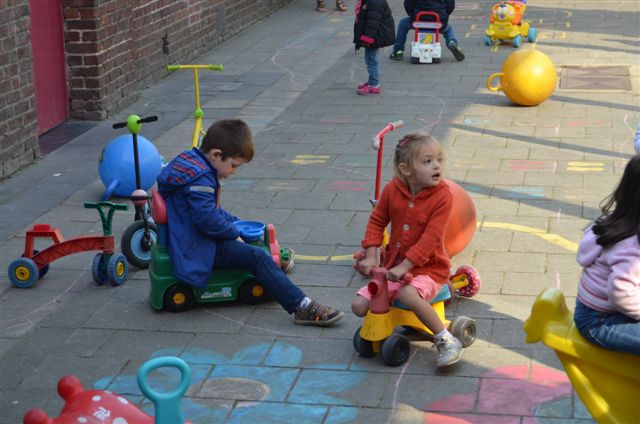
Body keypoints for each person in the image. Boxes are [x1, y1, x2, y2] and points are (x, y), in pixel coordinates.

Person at [157, 119, 344, 326]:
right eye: (233, 165)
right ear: (216, 154)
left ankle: (274, 275)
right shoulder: (200, 179)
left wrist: (236, 224)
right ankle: (301, 305)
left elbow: (211, 211)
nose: (233, 171)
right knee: (257, 257)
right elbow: (206, 219)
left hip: (192, 234)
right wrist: (232, 233)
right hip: (197, 244)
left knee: (252, 239)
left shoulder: (192, 163)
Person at [351, 132, 464, 367]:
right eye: (427, 161)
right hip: (394, 267)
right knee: (359, 306)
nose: (436, 166)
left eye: (439, 160)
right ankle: (380, 330)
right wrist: (371, 255)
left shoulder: (443, 196)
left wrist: (405, 266)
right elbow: (377, 220)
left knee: (407, 295)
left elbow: (431, 238)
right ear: (406, 169)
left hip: (429, 270)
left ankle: (446, 339)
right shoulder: (393, 189)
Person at [573, 154, 640, 354]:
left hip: (602, 309)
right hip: (600, 322)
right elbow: (621, 293)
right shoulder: (632, 247)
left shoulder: (620, 221)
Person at [389, 0, 465, 62]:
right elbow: (450, 5)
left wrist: (412, 14)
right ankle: (451, 42)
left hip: (419, 20)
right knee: (448, 29)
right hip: (438, 20)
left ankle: (398, 51)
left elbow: (408, 4)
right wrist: (445, 15)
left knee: (403, 24)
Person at [353, 0, 395, 95]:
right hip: (374, 36)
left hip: (375, 36)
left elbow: (372, 23)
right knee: (370, 59)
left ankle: (374, 85)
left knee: (372, 60)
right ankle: (372, 81)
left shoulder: (375, 3)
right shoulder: (370, 1)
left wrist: (367, 39)